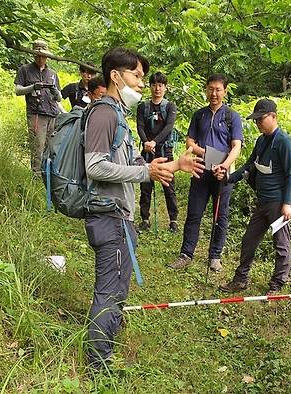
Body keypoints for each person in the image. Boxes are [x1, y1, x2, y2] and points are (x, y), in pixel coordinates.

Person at [83, 47, 204, 370]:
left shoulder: (117, 115)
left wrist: (170, 165)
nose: (142, 83)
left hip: (120, 217)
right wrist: (144, 172)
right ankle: (99, 365)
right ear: (115, 75)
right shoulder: (104, 113)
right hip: (108, 217)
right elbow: (95, 166)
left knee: (117, 286)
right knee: (109, 291)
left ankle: (106, 344)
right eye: (136, 75)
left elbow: (129, 161)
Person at [218, 99, 291, 295]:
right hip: (262, 201)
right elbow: (249, 165)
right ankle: (241, 278)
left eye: (261, 119)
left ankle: (278, 284)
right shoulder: (261, 140)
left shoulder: (284, 142)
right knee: (249, 240)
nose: (258, 123)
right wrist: (228, 177)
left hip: (278, 203)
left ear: (273, 117)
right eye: (256, 120)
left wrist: (287, 203)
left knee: (281, 244)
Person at [169, 74, 243, 272]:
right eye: (210, 89)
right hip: (200, 169)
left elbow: (237, 146)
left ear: (225, 92)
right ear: (206, 90)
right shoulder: (199, 115)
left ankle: (215, 256)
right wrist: (206, 153)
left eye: (218, 89)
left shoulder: (232, 117)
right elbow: (190, 142)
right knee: (194, 213)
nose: (214, 93)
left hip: (222, 174)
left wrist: (224, 165)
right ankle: (186, 254)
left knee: (221, 216)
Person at [136, 72, 179, 232]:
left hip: (164, 150)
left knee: (168, 185)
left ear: (165, 88)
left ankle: (173, 220)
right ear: (150, 86)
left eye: (160, 85)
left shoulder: (170, 106)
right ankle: (145, 219)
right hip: (147, 151)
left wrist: (154, 142)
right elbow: (140, 126)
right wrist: (146, 141)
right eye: (154, 84)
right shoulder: (143, 107)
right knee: (145, 186)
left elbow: (169, 127)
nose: (157, 88)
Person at [14, 40, 64, 175]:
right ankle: (36, 176)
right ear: (33, 55)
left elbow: (59, 98)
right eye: (37, 56)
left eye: (43, 56)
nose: (40, 58)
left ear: (47, 56)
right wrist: (33, 87)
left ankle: (48, 175)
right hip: (36, 114)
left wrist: (53, 90)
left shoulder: (52, 73)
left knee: (51, 147)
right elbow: (18, 90)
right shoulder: (25, 70)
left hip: (52, 114)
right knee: (38, 147)